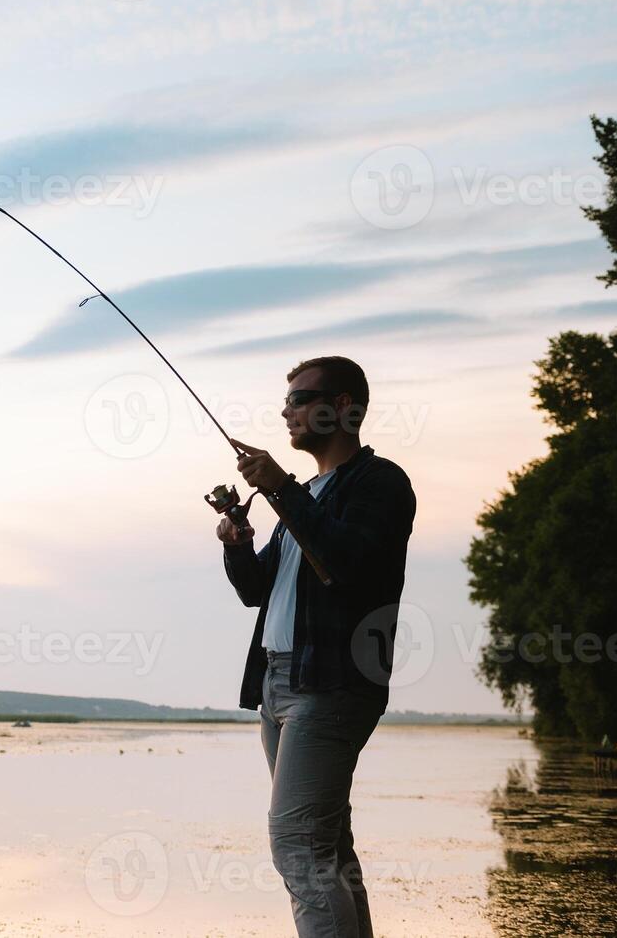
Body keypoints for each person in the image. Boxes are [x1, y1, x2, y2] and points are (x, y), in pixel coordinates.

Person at [216, 355, 416, 938]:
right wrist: (238, 541)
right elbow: (258, 592)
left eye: (302, 399)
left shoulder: (380, 483)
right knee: (329, 847)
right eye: (288, 401)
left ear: (345, 408)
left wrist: (280, 488)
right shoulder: (300, 499)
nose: (287, 410)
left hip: (330, 686)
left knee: (299, 848)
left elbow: (347, 563)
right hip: (278, 686)